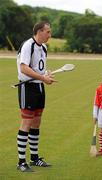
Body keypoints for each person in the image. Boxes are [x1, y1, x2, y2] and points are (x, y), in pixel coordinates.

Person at [16, 21, 56, 172]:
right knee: (26, 123)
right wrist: (42, 78)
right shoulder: (28, 45)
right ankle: (21, 162)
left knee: (36, 123)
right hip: (27, 87)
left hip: (39, 86)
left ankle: (34, 158)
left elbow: (40, 69)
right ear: (39, 31)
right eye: (48, 32)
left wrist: (46, 75)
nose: (49, 35)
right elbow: (24, 68)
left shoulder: (44, 48)